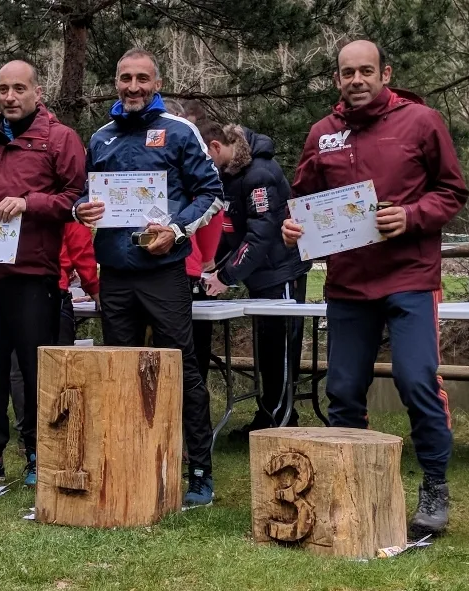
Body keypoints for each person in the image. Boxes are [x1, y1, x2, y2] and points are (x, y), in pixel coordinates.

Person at [282, 40, 469, 536]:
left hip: (410, 275)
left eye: (366, 71)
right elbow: (301, 199)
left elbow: (452, 190)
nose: (357, 80)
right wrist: (293, 226)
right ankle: (351, 486)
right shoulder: (323, 133)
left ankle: (434, 484)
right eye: (348, 73)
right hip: (348, 282)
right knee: (342, 389)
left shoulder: (422, 121)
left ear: (385, 73)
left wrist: (411, 216)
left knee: (416, 380)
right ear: (338, 79)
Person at [74, 48, 224, 508]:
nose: (133, 86)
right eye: (125, 78)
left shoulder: (180, 132)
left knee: (181, 370)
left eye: (142, 78)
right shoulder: (100, 137)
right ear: (115, 81)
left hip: (163, 272)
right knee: (119, 370)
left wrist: (177, 231)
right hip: (115, 274)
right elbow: (86, 198)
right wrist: (81, 210)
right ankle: (127, 461)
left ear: (156, 83)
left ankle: (198, 471)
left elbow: (212, 193)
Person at [0, 60, 87, 486]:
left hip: (33, 274)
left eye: (18, 89)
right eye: (3, 89)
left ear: (37, 92)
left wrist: (29, 202)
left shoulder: (60, 139)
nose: (9, 97)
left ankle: (37, 454)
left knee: (35, 371)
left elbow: (76, 200)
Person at [198, 121, 312, 436]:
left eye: (205, 155)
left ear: (217, 147)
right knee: (266, 348)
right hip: (260, 276)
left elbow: (260, 235)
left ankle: (282, 420)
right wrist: (210, 264)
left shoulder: (259, 174)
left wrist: (225, 275)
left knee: (281, 349)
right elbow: (228, 229)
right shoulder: (230, 175)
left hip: (281, 271)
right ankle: (268, 414)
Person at [7, 221, 99, 456]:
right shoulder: (66, 206)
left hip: (12, 288)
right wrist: (94, 289)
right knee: (61, 367)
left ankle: (26, 433)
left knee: (20, 367)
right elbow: (81, 251)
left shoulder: (13, 199)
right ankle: (57, 431)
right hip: (52, 290)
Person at [164, 98, 223, 383]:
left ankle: (188, 420)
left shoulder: (193, 162)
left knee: (183, 350)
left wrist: (206, 259)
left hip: (184, 264)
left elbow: (212, 207)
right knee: (182, 350)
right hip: (179, 266)